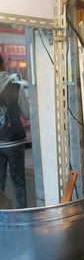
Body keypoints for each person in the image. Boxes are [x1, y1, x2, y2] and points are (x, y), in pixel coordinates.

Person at [0, 55, 30, 208]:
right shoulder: (16, 87)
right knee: (18, 182)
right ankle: (22, 216)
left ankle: (1, 218)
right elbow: (27, 114)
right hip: (14, 141)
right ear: (3, 65)